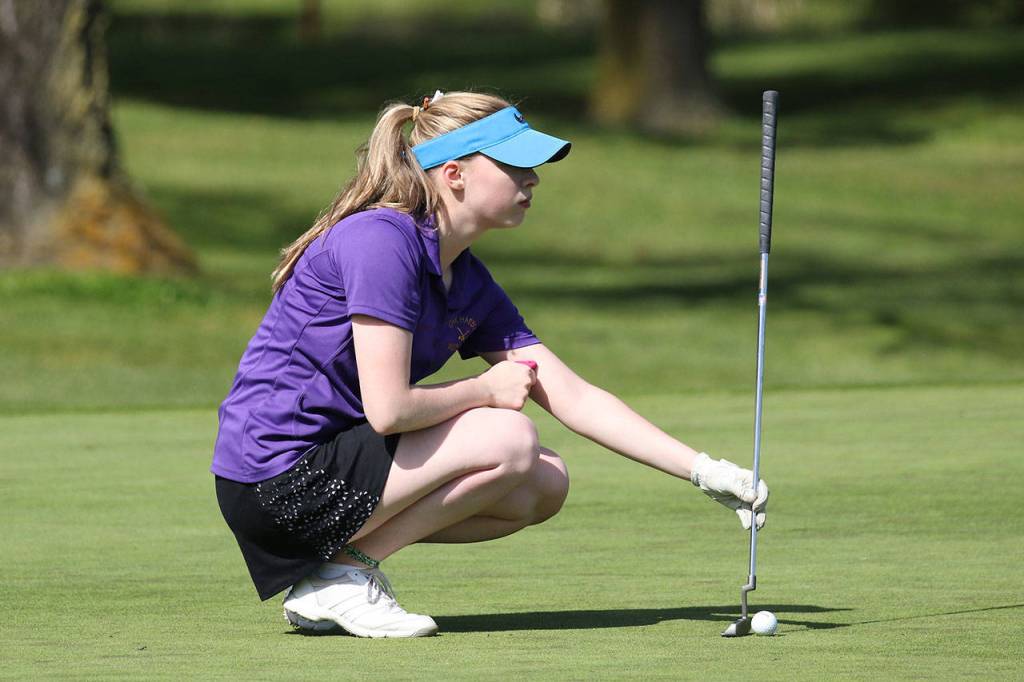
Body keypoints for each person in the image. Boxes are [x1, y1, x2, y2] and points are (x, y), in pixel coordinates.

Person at [211, 90, 769, 639]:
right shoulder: (380, 241)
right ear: (454, 174)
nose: (533, 180)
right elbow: (389, 411)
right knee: (508, 438)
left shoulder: (468, 279)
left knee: (543, 484)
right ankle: (343, 577)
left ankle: (340, 570)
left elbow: (573, 396)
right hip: (271, 479)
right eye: (515, 165)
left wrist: (704, 470)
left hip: (336, 468)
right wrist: (484, 387)